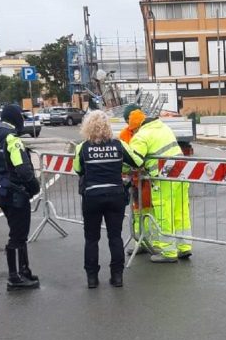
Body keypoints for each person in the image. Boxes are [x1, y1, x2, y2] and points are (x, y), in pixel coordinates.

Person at [74, 110, 138, 288]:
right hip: (115, 195)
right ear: (108, 127)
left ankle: (92, 278)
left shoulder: (83, 147)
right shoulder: (119, 145)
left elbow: (77, 169)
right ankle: (117, 277)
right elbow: (136, 161)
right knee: (115, 237)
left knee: (92, 238)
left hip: (92, 196)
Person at [0, 104, 41, 291]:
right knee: (18, 236)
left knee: (18, 234)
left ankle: (23, 270)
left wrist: (2, 180)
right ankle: (15, 277)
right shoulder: (12, 139)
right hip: (16, 194)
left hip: (1, 192)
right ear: (16, 119)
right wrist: (34, 187)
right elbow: (24, 169)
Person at [127, 108, 191, 263]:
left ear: (135, 127)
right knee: (180, 212)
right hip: (181, 175)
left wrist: (123, 168)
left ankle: (168, 251)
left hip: (163, 179)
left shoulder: (141, 136)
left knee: (164, 213)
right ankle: (184, 247)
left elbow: (134, 160)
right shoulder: (163, 127)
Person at [119, 105, 156, 256]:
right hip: (136, 179)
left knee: (149, 210)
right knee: (138, 210)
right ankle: (139, 241)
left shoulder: (144, 132)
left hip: (147, 177)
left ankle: (149, 240)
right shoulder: (125, 134)